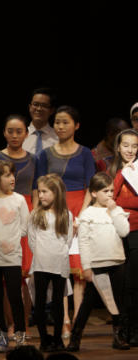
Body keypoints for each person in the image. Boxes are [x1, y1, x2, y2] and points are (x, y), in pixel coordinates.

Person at [34, 106, 96, 339]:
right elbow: (37, 188)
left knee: (78, 271)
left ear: (76, 125)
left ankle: (77, 320)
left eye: (65, 122)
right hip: (53, 210)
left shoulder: (86, 153)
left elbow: (91, 186)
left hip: (79, 209)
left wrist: (80, 214)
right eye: (57, 122)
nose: (60, 126)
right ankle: (65, 319)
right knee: (59, 269)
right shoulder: (45, 154)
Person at [66, 172, 130, 351]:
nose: (110, 194)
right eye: (105, 191)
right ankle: (75, 337)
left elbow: (124, 231)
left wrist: (115, 211)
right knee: (88, 302)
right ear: (94, 193)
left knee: (117, 301)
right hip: (97, 265)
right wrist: (86, 266)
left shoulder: (116, 211)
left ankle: (118, 336)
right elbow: (84, 242)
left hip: (117, 262)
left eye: (111, 190)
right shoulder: (88, 214)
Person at [0, 160, 30, 352]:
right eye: (6, 175)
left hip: (12, 256)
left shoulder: (19, 200)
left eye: (12, 174)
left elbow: (25, 227)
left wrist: (10, 241)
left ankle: (20, 334)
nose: (12, 178)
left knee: (14, 295)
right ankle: (1, 335)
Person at [28, 174, 73, 353]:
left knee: (57, 303)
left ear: (56, 192)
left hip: (59, 264)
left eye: (45, 192)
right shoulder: (35, 214)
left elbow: (67, 241)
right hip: (40, 264)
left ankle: (57, 339)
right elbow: (32, 240)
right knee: (39, 303)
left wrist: (58, 255)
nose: (41, 196)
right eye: (39, 192)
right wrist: (41, 255)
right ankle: (44, 339)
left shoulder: (65, 215)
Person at [111, 128, 138, 345]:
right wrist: (123, 173)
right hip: (114, 233)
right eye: (126, 145)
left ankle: (133, 329)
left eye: (134, 146)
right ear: (118, 147)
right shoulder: (113, 170)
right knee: (120, 284)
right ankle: (121, 330)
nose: (130, 150)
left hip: (136, 232)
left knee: (133, 282)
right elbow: (109, 196)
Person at [22, 87, 57, 155]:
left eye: (44, 105)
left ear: (52, 110)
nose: (39, 109)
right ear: (30, 107)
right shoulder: (18, 136)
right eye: (35, 104)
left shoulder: (58, 138)